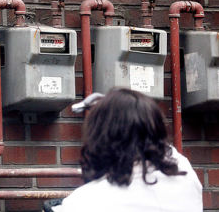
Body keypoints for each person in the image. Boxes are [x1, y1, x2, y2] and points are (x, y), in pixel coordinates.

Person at [51, 88, 202, 212]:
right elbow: (164, 149)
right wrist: (130, 111)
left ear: (100, 138)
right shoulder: (186, 177)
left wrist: (111, 111)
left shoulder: (85, 202)